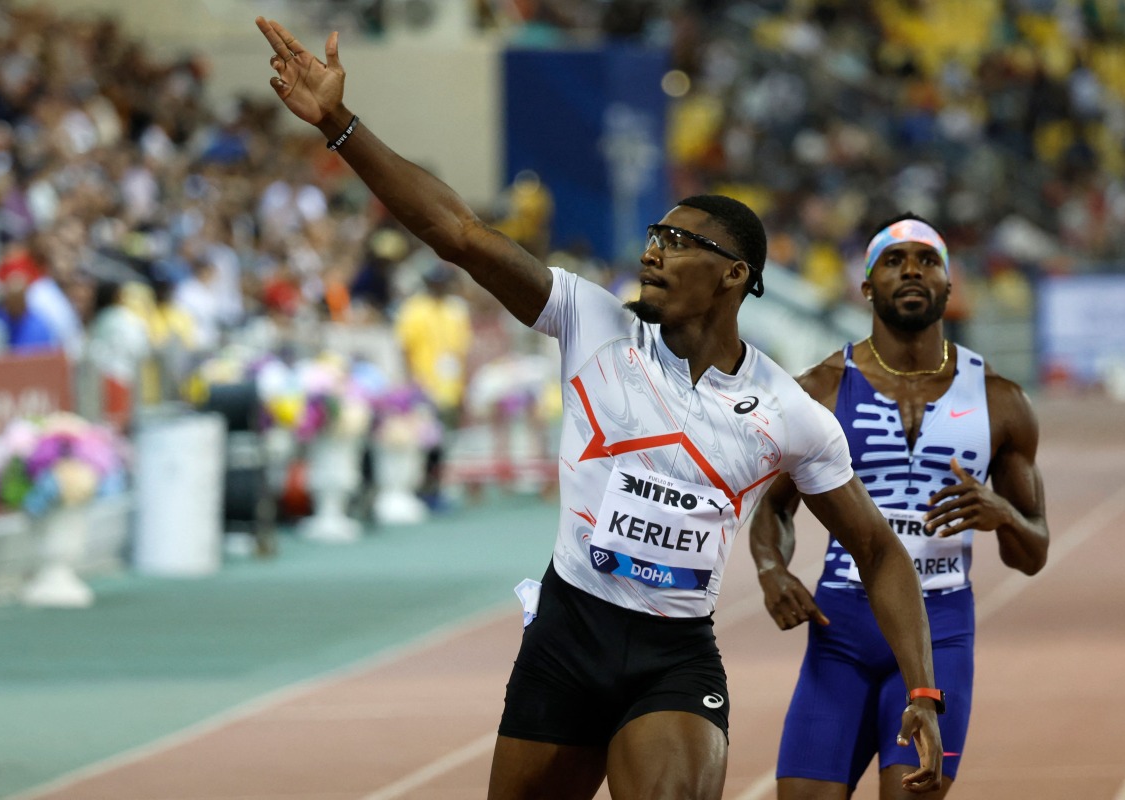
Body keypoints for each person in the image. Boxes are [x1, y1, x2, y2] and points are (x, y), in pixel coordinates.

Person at [255, 18, 943, 798]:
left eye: (679, 241)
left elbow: (880, 551)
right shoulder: (588, 320)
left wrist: (922, 691)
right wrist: (341, 127)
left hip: (673, 658)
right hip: (566, 639)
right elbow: (460, 233)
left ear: (732, 277)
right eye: (654, 234)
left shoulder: (789, 412)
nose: (652, 249)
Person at [749, 213, 1050, 799]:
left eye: (927, 260)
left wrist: (1003, 515)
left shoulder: (1002, 402)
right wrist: (770, 569)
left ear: (948, 285)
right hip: (841, 630)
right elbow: (772, 509)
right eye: (894, 260)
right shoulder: (820, 391)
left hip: (940, 633)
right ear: (866, 287)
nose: (911, 270)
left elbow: (1032, 555)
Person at [394, 261, 472, 509]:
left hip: (450, 386)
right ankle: (420, 490)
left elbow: (462, 352)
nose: (440, 286)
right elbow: (405, 349)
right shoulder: (413, 310)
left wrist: (463, 387)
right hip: (424, 386)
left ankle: (436, 489)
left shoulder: (456, 310)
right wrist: (412, 384)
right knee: (423, 443)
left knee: (444, 443)